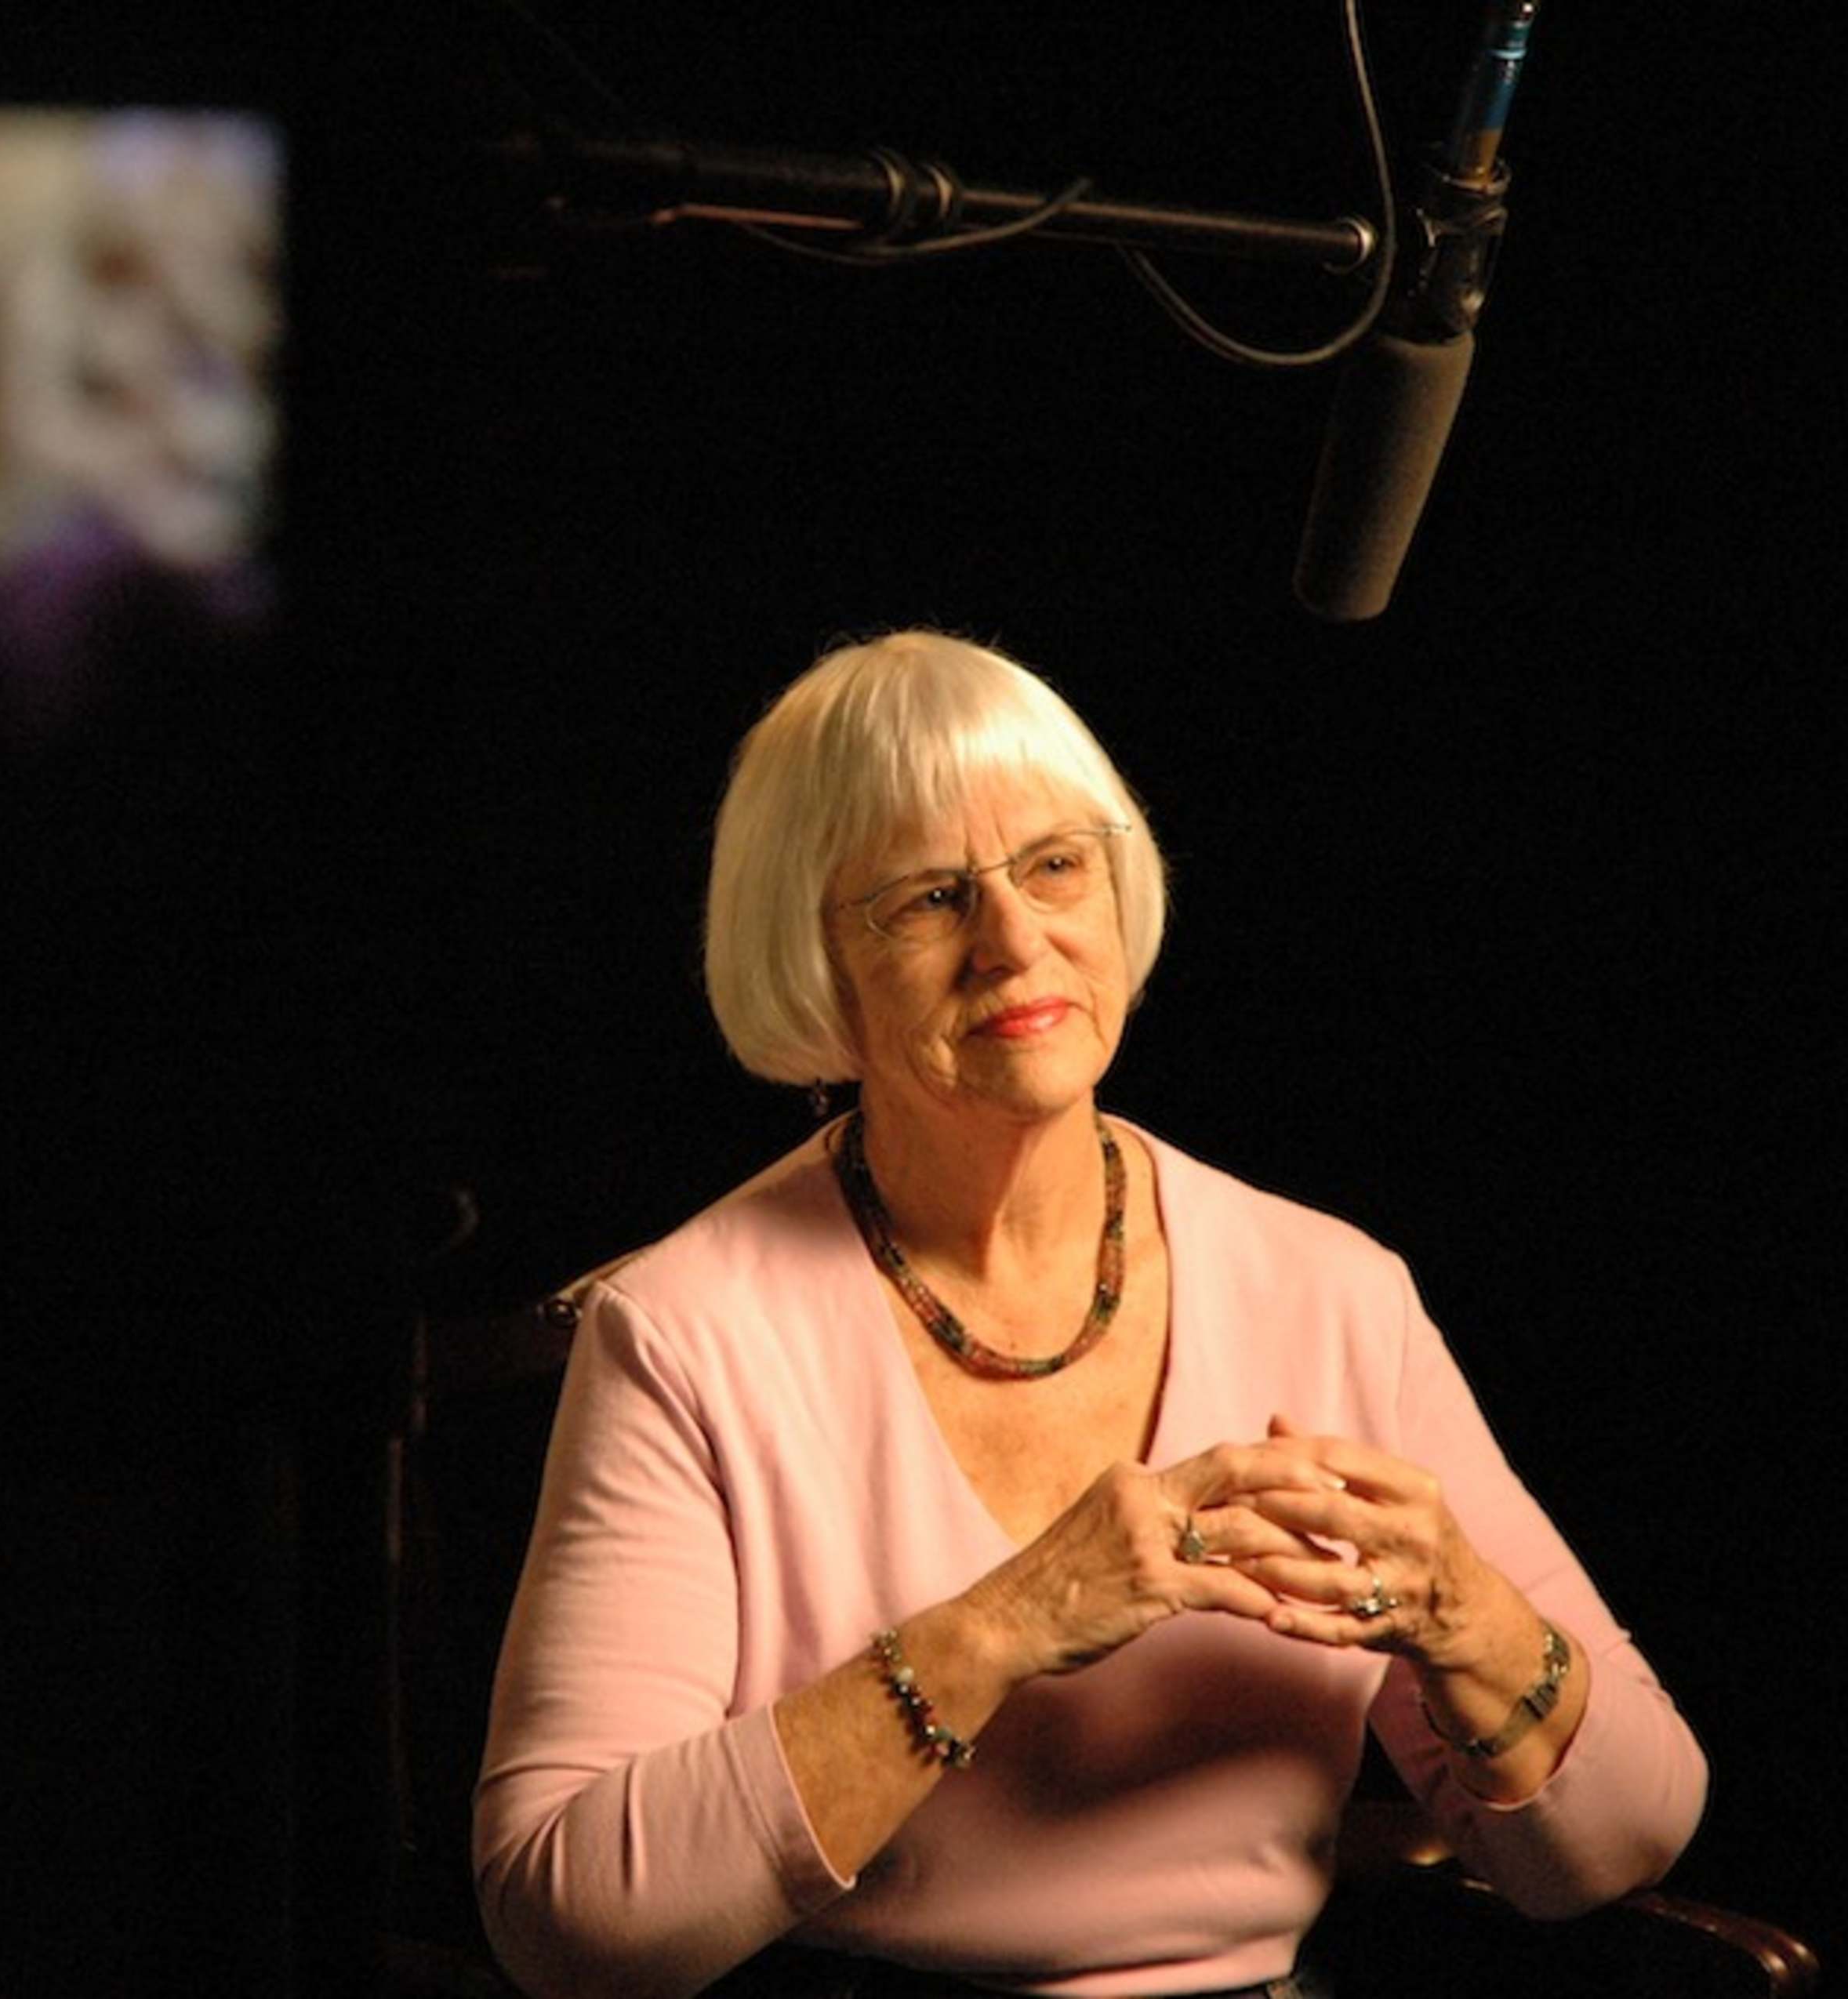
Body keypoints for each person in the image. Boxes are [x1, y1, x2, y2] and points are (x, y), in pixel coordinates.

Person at [471, 631, 1707, 1998]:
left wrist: (1463, 1615)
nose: (1015, 940)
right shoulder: (687, 1333)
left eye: (1056, 864)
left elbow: (1623, 1837)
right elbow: (563, 1916)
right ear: (814, 961)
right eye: (930, 898)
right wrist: (999, 1628)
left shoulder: (1333, 1289)